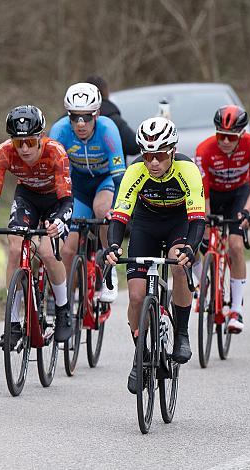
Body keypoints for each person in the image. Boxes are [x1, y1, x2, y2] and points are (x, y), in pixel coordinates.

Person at [104, 117, 205, 393]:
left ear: (171, 151)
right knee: (136, 296)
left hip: (179, 222)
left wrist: (190, 249)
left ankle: (182, 333)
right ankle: (141, 354)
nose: (153, 163)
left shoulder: (187, 170)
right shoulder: (135, 170)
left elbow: (197, 219)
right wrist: (113, 246)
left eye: (160, 155)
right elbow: (120, 215)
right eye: (147, 155)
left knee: (178, 264)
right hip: (146, 224)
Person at [0, 105, 73, 344]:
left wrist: (60, 222)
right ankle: (12, 322)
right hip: (27, 197)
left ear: (41, 137)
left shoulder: (56, 152)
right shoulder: (3, 152)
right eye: (18, 143)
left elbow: (66, 200)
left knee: (48, 253)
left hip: (55, 200)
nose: (24, 148)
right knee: (15, 247)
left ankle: (63, 311)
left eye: (30, 142)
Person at [50, 82, 126, 303]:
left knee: (102, 210)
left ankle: (109, 269)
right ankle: (63, 301)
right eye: (74, 117)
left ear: (97, 114)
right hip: (78, 185)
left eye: (87, 117)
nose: (80, 123)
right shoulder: (60, 131)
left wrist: (117, 210)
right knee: (67, 249)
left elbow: (119, 177)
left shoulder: (108, 129)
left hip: (105, 181)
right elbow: (56, 177)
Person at [195, 105, 250, 334]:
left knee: (235, 245)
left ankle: (236, 310)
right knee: (194, 240)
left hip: (238, 195)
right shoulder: (204, 149)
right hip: (212, 195)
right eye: (220, 135)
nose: (224, 141)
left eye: (230, 137)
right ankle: (201, 284)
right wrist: (204, 221)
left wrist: (246, 211)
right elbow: (201, 193)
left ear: (242, 134)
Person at [84, 75, 138, 157]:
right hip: (114, 169)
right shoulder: (115, 121)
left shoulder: (68, 119)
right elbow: (134, 146)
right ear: (106, 92)